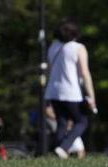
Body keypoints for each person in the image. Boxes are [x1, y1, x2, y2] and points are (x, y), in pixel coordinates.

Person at [45, 19, 96, 159]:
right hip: (71, 91)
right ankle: (64, 147)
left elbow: (49, 70)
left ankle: (58, 151)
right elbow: (84, 73)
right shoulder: (78, 48)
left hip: (53, 91)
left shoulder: (53, 47)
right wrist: (91, 96)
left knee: (61, 122)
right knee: (82, 121)